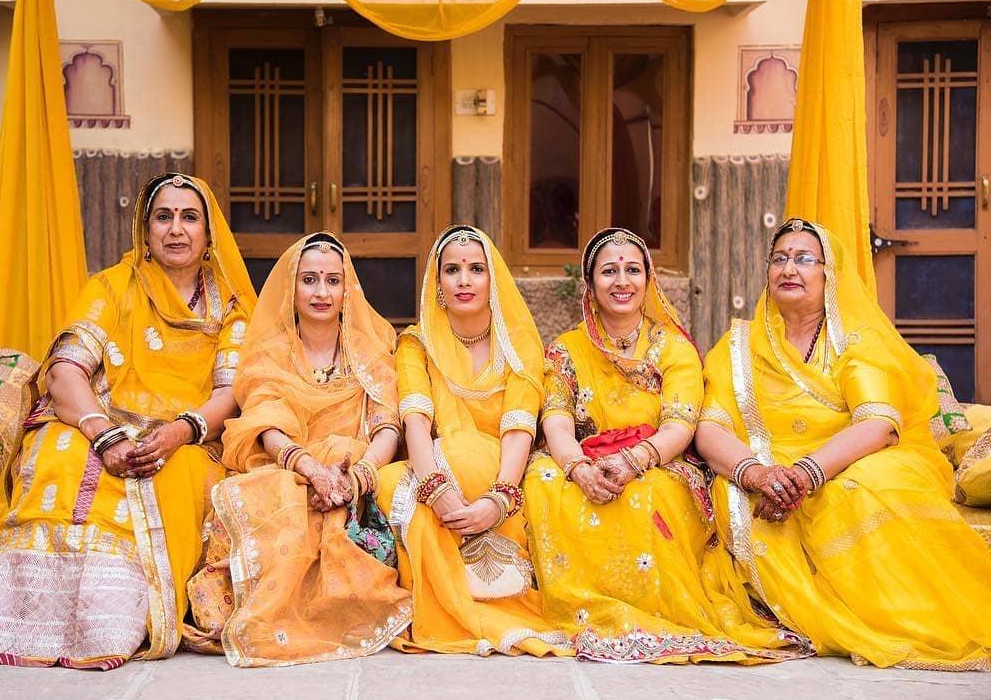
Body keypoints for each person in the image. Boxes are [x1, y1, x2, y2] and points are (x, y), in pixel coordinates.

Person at [0, 173, 255, 668]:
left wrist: (178, 432)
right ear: (145, 228)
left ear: (207, 234)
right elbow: (66, 370)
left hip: (190, 437)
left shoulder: (234, 307)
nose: (176, 230)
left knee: (169, 477)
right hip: (98, 420)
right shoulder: (111, 287)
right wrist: (101, 431)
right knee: (59, 455)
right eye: (164, 216)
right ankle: (18, 624)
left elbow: (229, 393)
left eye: (189, 217)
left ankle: (110, 624)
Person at [696, 217, 991, 670]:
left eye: (804, 259)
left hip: (842, 462)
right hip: (763, 470)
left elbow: (878, 424)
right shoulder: (738, 345)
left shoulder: (856, 339)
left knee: (871, 486)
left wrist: (806, 472)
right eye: (779, 259)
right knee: (731, 492)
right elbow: (710, 427)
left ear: (828, 273)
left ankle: (892, 617)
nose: (789, 269)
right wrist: (756, 473)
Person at [525, 227, 810, 663]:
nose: (622, 281)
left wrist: (632, 461)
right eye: (609, 271)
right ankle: (587, 610)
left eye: (632, 270)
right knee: (545, 481)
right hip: (584, 461)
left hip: (659, 461)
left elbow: (680, 426)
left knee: (649, 495)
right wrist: (578, 468)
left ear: (648, 279)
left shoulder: (673, 348)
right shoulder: (566, 350)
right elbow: (557, 423)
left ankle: (650, 610)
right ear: (590, 284)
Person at [183, 232, 411, 666]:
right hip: (287, 468)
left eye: (332, 280)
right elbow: (266, 425)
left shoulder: (372, 349)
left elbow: (387, 427)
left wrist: (359, 475)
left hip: (355, 473)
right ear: (292, 287)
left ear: (348, 289)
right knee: (276, 493)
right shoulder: (271, 351)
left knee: (347, 473)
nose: (322, 292)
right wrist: (310, 468)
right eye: (309, 280)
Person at [376, 225, 571, 657]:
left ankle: (466, 600)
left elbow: (519, 427)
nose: (464, 280)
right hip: (439, 473)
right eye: (453, 270)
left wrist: (499, 497)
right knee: (391, 483)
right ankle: (453, 607)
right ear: (438, 283)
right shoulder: (416, 341)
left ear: (492, 279)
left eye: (476, 269)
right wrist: (436, 490)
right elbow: (416, 424)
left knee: (481, 458)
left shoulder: (518, 342)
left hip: (505, 472)